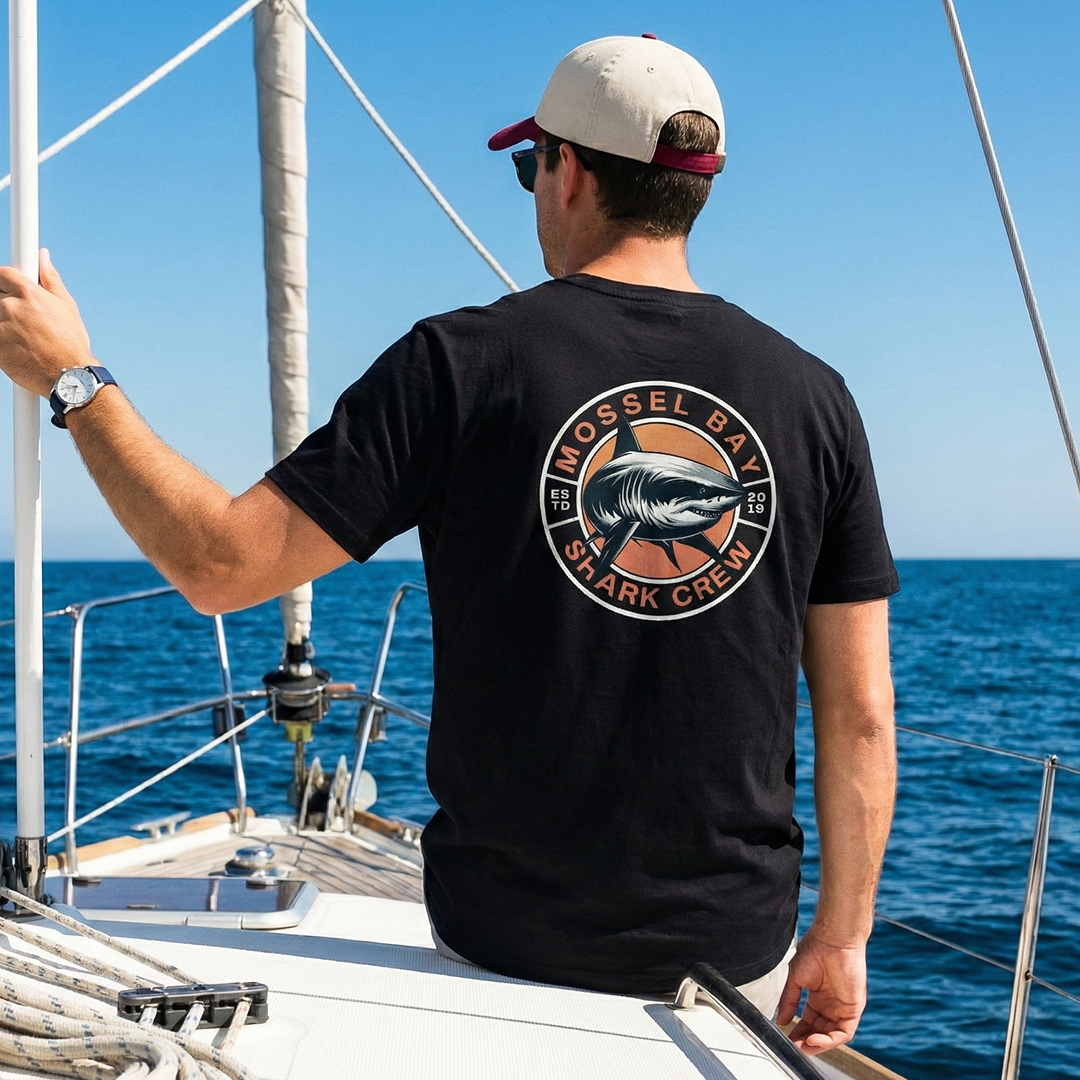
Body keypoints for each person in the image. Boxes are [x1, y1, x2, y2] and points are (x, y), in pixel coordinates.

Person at [0, 35, 896, 1056]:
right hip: (737, 959)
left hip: (497, 939)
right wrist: (846, 935)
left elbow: (218, 566)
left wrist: (74, 382)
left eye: (530, 166)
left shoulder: (460, 363)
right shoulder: (818, 400)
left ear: (568, 170)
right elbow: (862, 715)